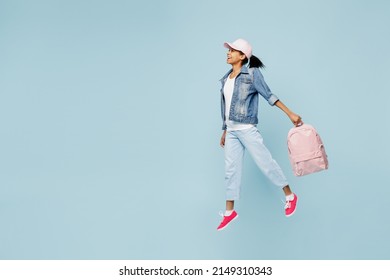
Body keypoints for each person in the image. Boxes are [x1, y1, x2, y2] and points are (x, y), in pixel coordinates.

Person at [217, 38, 302, 231]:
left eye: (232, 50)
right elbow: (225, 106)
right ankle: (230, 212)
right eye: (228, 50)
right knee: (230, 170)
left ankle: (290, 195)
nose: (228, 53)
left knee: (266, 163)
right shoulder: (225, 78)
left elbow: (269, 95)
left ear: (242, 56)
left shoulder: (252, 74)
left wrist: (290, 113)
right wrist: (224, 129)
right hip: (231, 131)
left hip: (246, 128)